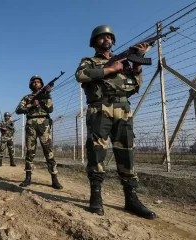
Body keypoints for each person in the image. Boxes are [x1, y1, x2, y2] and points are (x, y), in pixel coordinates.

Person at [75, 25, 156, 219]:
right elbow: (80, 75)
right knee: (96, 152)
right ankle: (96, 196)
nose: (106, 40)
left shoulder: (124, 62)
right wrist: (110, 68)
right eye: (102, 38)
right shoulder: (90, 61)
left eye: (109, 37)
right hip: (99, 108)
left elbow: (134, 85)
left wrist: (137, 62)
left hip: (123, 109)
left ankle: (131, 198)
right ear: (95, 42)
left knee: (126, 152)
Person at [15, 76, 63, 189]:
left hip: (44, 123)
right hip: (31, 123)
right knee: (30, 151)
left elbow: (50, 109)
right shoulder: (27, 97)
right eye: (34, 82)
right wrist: (32, 104)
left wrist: (47, 96)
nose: (36, 83)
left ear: (41, 84)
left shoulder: (46, 96)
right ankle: (28, 178)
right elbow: (18, 110)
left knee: (48, 151)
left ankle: (54, 179)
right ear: (31, 84)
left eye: (38, 82)